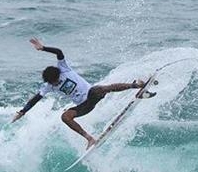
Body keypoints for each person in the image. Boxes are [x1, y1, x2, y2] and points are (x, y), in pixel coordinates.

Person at [12, 38, 155, 148]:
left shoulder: (63, 69)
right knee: (65, 116)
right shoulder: (48, 86)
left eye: (56, 81)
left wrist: (43, 48)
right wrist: (22, 112)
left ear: (58, 75)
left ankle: (137, 86)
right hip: (83, 106)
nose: (56, 84)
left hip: (93, 94)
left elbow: (59, 52)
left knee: (98, 88)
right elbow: (35, 99)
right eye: (53, 84)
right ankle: (89, 138)